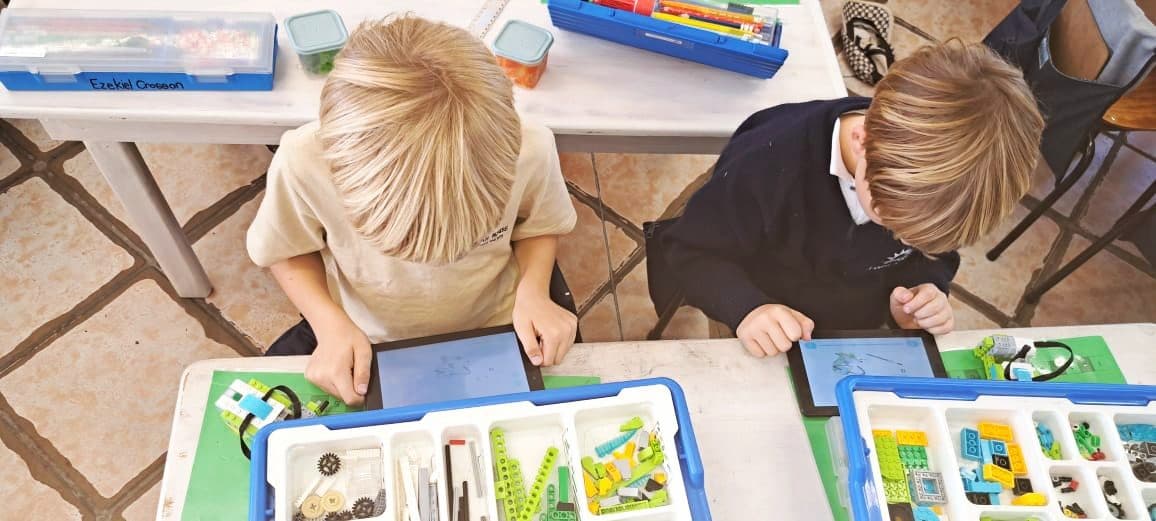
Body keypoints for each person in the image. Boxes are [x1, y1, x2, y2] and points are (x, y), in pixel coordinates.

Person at [247, 16, 579, 405]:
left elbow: (539, 225)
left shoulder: (531, 149)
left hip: (500, 325)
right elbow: (285, 249)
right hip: (364, 332)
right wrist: (328, 324)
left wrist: (535, 290)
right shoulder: (303, 161)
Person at [649, 41, 1045, 358]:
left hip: (850, 326)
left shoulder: (925, 191)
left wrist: (925, 288)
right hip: (759, 308)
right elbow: (689, 252)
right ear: (862, 142)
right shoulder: (768, 162)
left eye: (916, 239)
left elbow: (934, 256)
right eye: (890, 221)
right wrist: (747, 308)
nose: (900, 241)